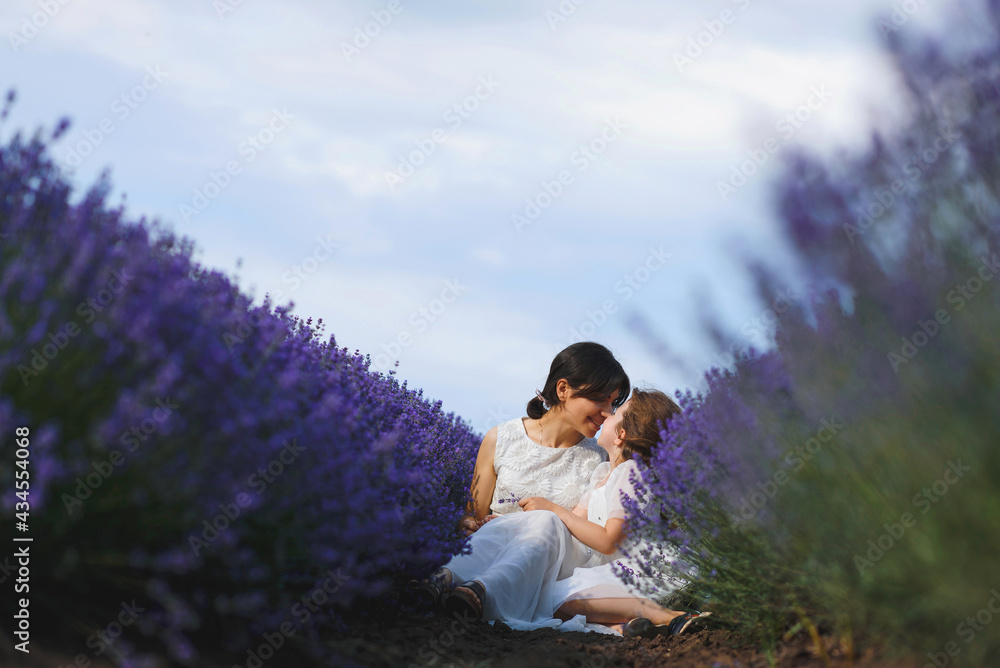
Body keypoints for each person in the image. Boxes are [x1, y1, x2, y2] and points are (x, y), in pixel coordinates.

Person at [447, 388, 708, 637]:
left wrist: (554, 508)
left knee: (552, 599)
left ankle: (669, 616)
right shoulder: (603, 475)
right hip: (611, 571)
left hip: (639, 570)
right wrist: (515, 525)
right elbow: (572, 523)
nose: (606, 414)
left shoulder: (630, 473)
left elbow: (608, 541)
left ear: (621, 435)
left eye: (615, 413)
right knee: (549, 599)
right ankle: (625, 626)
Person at [411, 341, 630, 614]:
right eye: (600, 398)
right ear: (563, 389)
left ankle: (480, 589)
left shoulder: (599, 460)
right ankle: (442, 580)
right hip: (489, 548)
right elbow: (472, 514)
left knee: (548, 520)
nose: (608, 412)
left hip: (547, 572)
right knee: (498, 529)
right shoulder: (501, 438)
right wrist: (469, 523)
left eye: (613, 402)